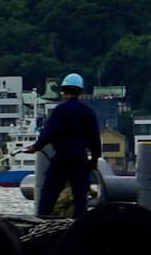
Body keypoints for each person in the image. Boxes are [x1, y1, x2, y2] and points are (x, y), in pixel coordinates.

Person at [37, 73, 103, 222]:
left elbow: (50, 133)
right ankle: (80, 225)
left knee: (50, 191)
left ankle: (40, 221)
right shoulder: (88, 112)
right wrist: (95, 158)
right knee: (80, 194)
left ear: (64, 91)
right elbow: (94, 139)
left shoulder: (61, 110)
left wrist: (36, 146)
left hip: (62, 157)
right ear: (80, 91)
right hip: (80, 158)